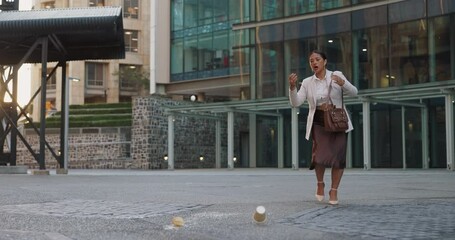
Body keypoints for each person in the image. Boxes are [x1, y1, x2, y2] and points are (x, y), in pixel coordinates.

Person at [288, 50, 358, 205]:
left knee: (339, 158)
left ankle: (334, 190)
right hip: (318, 122)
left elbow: (354, 92)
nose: (314, 63)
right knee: (319, 157)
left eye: (317, 59)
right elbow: (296, 103)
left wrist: (343, 83)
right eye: (311, 60)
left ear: (325, 61)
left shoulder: (336, 74)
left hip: (337, 121)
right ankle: (320, 183)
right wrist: (292, 88)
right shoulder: (307, 82)